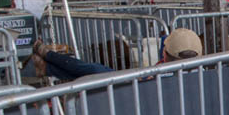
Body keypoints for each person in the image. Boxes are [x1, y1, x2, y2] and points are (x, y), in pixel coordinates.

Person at [27, 29, 202, 81]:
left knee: (93, 71)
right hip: (134, 86)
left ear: (164, 52)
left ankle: (48, 57)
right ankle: (47, 65)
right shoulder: (201, 73)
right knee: (90, 72)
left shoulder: (165, 73)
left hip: (130, 92)